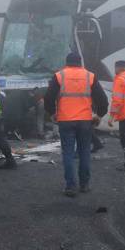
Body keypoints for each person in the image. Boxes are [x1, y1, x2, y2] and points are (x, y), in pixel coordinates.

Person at [44, 52, 108, 197]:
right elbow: (102, 100)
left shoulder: (59, 76)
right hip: (85, 121)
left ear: (67, 63)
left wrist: (52, 113)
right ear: (80, 63)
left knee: (68, 153)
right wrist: (99, 115)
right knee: (84, 152)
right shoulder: (89, 76)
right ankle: (84, 185)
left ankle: (70, 186)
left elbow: (48, 98)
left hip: (65, 120)